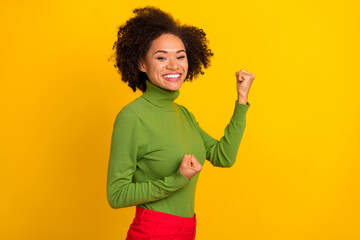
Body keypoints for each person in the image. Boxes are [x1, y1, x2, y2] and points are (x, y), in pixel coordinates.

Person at [107, 6, 255, 240]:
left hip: (187, 230)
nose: (174, 65)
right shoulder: (132, 117)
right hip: (153, 231)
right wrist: (178, 178)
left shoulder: (184, 114)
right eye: (161, 57)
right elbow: (117, 194)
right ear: (142, 64)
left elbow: (223, 157)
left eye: (180, 56)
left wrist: (242, 99)